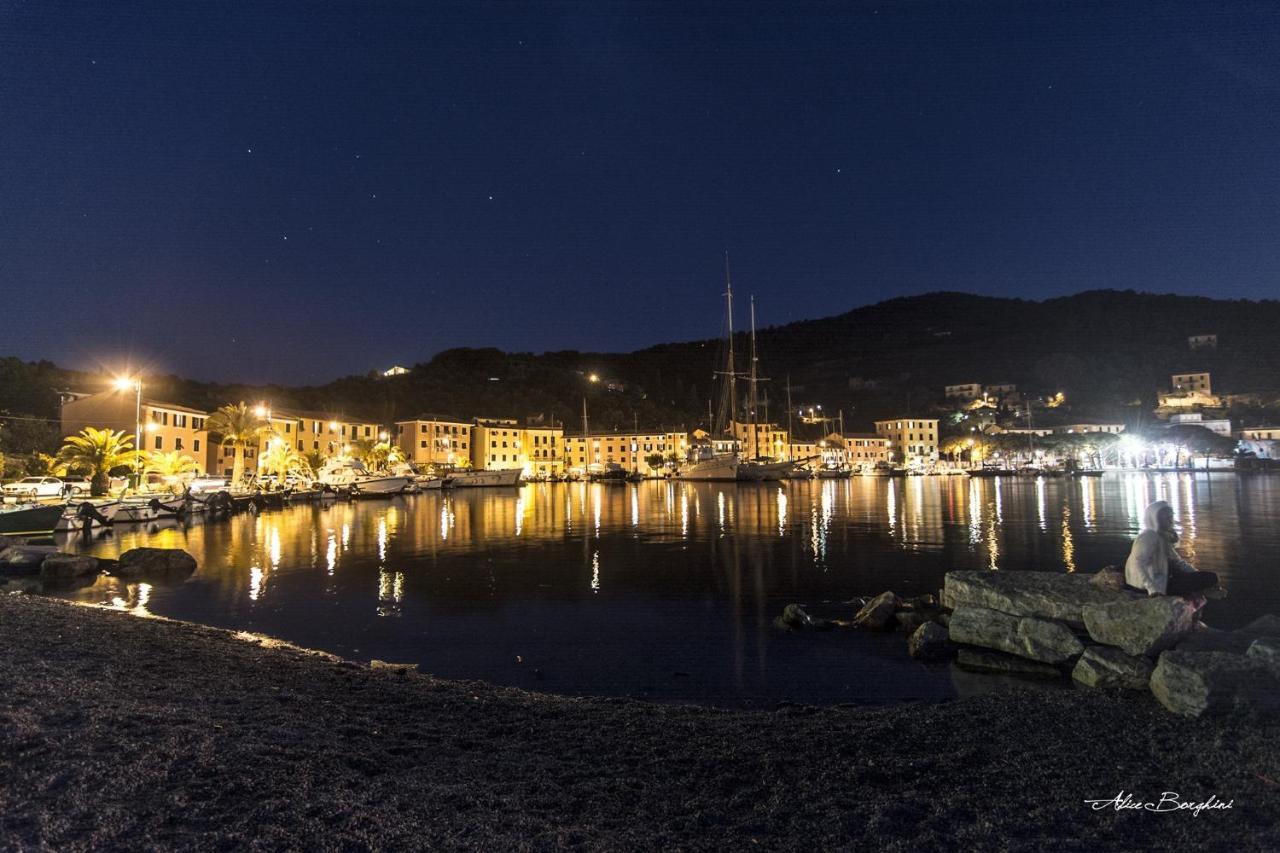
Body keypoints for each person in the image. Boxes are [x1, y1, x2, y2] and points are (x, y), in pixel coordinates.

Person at [1124, 500, 1219, 597]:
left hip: (1161, 580)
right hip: (1146, 587)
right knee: (1209, 578)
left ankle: (1205, 590)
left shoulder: (1162, 536)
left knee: (1208, 577)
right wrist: (1152, 589)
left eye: (1171, 516)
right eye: (1165, 517)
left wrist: (1197, 574)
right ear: (1155, 519)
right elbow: (1138, 563)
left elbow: (1178, 561)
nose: (1170, 520)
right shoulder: (1148, 537)